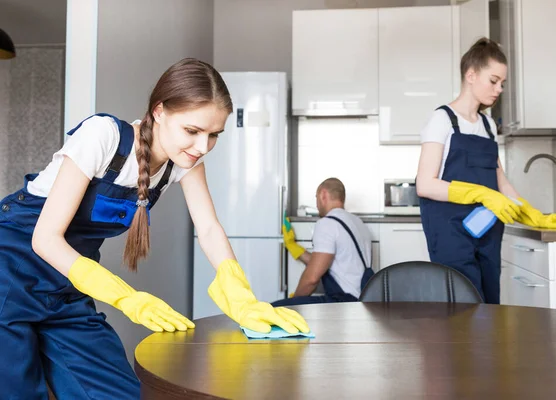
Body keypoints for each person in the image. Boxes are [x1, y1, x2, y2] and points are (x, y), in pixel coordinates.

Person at [0, 58, 309, 399]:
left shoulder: (181, 165)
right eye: (192, 131)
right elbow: (45, 239)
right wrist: (127, 298)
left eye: (213, 135)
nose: (202, 147)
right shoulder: (103, 136)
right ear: (159, 111)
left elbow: (208, 229)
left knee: (119, 393)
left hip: (63, 286)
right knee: (17, 391)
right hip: (8, 274)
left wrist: (241, 296)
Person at [416, 38, 556, 304]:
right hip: (450, 233)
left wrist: (535, 215)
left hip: (487, 231)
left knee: (489, 306)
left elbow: (500, 181)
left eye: (502, 83)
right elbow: (425, 184)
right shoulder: (442, 120)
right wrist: (481, 194)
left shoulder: (488, 124)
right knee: (463, 308)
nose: (499, 89)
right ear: (471, 75)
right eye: (493, 81)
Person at [274, 178, 374, 306]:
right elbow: (327, 263)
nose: (316, 205)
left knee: (274, 310)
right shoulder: (357, 222)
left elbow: (312, 279)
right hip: (362, 301)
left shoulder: (328, 223)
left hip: (343, 303)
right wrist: (294, 247)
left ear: (323, 195)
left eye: (316, 198)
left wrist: (294, 303)